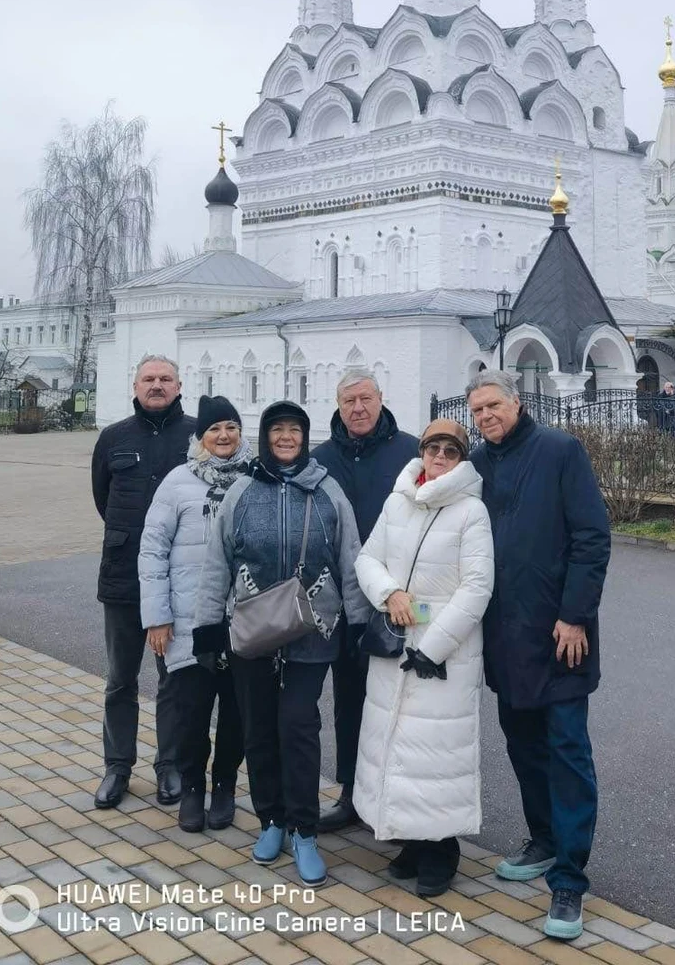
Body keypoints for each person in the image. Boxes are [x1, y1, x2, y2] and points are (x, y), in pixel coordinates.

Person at [192, 400, 368, 886]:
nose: (286, 437)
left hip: (313, 629)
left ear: (304, 437)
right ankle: (270, 819)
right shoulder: (243, 491)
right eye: (278, 430)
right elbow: (217, 562)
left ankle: (304, 830)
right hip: (253, 629)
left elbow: (350, 558)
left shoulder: (327, 489)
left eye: (294, 430)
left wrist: (357, 622)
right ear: (266, 436)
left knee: (298, 726)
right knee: (259, 729)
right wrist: (207, 628)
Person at [468, 369, 610, 942]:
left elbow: (591, 536)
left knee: (567, 751)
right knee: (523, 743)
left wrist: (574, 614)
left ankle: (569, 879)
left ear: (517, 402)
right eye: (477, 411)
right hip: (504, 635)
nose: (486, 417)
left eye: (493, 406)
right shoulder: (476, 464)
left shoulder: (559, 451)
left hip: (559, 634)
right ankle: (545, 839)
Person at [352, 418, 493, 897]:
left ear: (462, 459)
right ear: (422, 452)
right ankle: (411, 840)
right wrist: (389, 593)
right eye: (433, 448)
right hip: (395, 641)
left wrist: (433, 649)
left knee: (436, 754)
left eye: (450, 451)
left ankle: (441, 850)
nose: (440, 457)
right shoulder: (398, 501)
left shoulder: (471, 512)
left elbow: (477, 587)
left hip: (443, 651)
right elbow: (367, 559)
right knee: (398, 748)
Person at [311, 369, 418, 830]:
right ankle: (352, 793)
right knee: (350, 698)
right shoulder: (320, 459)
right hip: (341, 601)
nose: (358, 408)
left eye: (365, 398)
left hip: (397, 598)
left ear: (380, 398)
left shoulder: (411, 452)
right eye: (349, 401)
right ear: (338, 405)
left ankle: (396, 797)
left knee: (400, 700)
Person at [138, 396, 248, 833]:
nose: (223, 436)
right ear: (200, 437)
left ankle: (223, 786)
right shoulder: (177, 482)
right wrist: (157, 616)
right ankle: (191, 788)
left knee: (237, 712)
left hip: (242, 623)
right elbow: (152, 550)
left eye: (231, 427)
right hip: (188, 622)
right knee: (190, 714)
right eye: (214, 429)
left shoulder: (254, 478)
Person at [91, 355, 196, 810]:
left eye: (165, 378)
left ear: (179, 385)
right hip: (123, 577)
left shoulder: (197, 436)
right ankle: (117, 767)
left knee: (173, 678)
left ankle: (169, 765)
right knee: (120, 679)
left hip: (177, 581)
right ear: (134, 386)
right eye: (148, 379)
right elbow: (102, 497)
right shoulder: (113, 438)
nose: (157, 385)